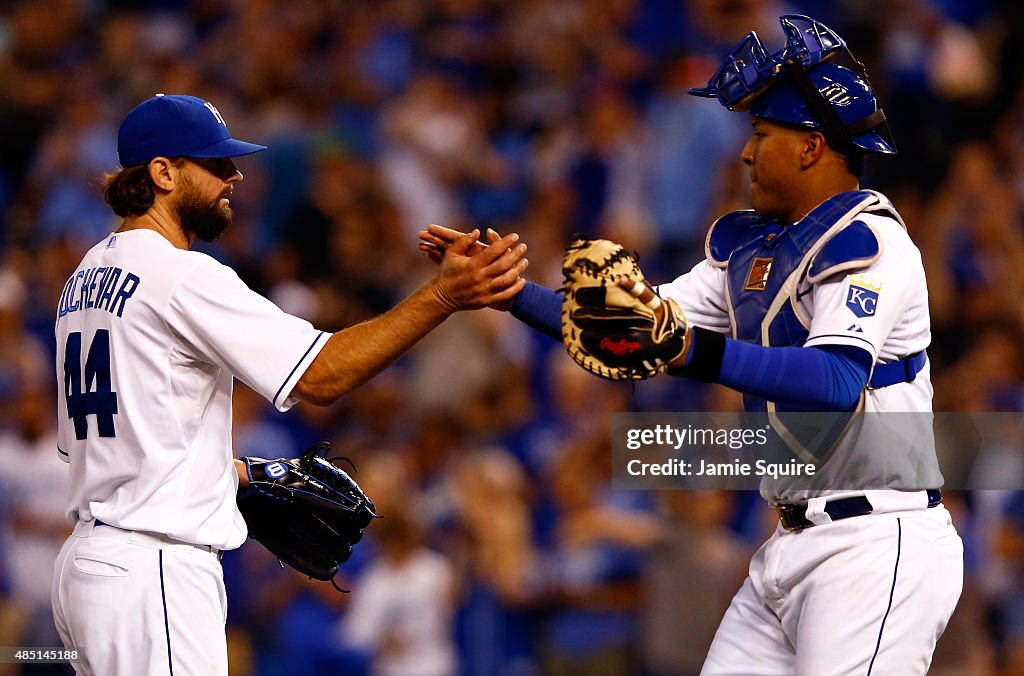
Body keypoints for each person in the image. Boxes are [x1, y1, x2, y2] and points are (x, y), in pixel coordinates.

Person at [419, 15, 963, 675]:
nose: (745, 152)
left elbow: (835, 380)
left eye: (762, 134)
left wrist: (688, 352)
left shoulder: (870, 242)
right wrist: (508, 291)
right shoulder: (751, 249)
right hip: (791, 541)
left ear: (812, 146)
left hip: (877, 541)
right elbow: (627, 323)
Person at [51, 93, 528, 676]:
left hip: (89, 569)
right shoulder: (179, 274)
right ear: (163, 172)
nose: (235, 176)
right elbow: (322, 374)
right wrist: (445, 294)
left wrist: (234, 472)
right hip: (153, 569)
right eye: (216, 163)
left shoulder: (84, 278)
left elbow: (117, 438)